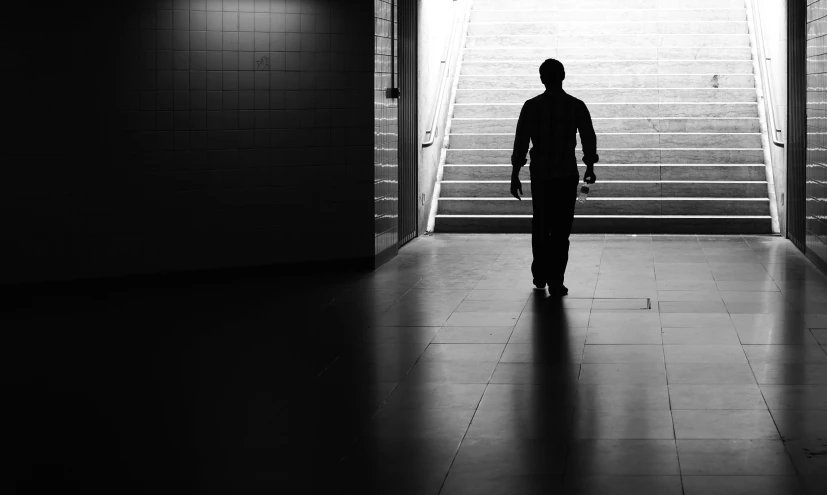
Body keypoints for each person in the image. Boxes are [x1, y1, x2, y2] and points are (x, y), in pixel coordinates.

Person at [510, 58, 598, 296]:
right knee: (561, 229)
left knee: (540, 223)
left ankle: (540, 273)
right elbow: (588, 137)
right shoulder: (576, 106)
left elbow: (521, 141)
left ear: (542, 78)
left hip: (540, 174)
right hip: (566, 173)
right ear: (563, 77)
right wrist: (589, 166)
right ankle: (556, 280)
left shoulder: (531, 106)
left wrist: (515, 173)